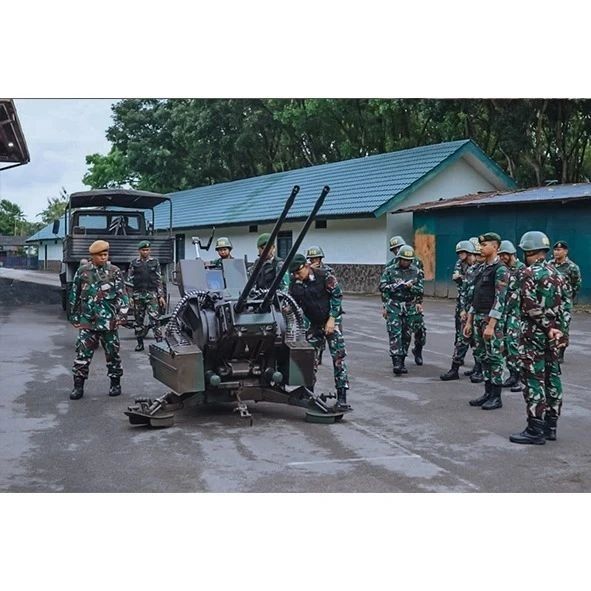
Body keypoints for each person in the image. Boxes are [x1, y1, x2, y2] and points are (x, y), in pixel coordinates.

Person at [509, 231, 568, 444]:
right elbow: (565, 307)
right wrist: (559, 331)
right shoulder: (557, 273)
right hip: (554, 337)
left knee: (534, 379)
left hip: (533, 335)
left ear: (528, 251)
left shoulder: (528, 273)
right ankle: (551, 426)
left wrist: (548, 327)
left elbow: (529, 306)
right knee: (552, 378)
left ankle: (535, 428)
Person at [288, 254, 351, 410]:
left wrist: (332, 319)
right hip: (313, 325)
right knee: (309, 361)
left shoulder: (324, 276)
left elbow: (337, 295)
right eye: (294, 274)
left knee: (339, 359)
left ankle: (342, 397)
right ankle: (310, 394)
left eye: (298, 272)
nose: (297, 276)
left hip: (331, 322)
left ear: (306, 266)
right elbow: (294, 304)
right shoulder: (295, 283)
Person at [68, 240, 129, 399]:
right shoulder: (83, 272)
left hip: (109, 322)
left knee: (113, 354)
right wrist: (73, 315)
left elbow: (122, 294)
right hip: (87, 322)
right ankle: (78, 387)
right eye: (100, 255)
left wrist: (122, 315)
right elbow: (74, 294)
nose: (103, 257)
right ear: (92, 256)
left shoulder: (114, 271)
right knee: (82, 355)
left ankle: (115, 384)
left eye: (105, 254)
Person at [463, 232, 509, 410]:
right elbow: (476, 297)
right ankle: (487, 393)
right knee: (483, 357)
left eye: (484, 245)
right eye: (480, 245)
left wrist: (491, 325)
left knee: (495, 358)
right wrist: (469, 321)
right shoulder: (482, 268)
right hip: (478, 317)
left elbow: (500, 299)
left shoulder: (501, 270)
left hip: (491, 320)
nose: (481, 248)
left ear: (495, 247)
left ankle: (496, 397)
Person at [379, 245, 425, 375]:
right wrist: (397, 286)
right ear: (399, 259)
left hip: (409, 305)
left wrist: (411, 288)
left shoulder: (416, 271)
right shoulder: (390, 270)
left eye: (408, 260)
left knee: (406, 334)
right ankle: (396, 361)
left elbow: (420, 290)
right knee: (394, 333)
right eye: (404, 259)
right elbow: (382, 287)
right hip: (394, 304)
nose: (406, 262)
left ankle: (403, 358)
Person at [440, 240, 477, 380]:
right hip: (466, 307)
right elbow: (463, 291)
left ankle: (478, 369)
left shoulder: (478, 268)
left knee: (476, 342)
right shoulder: (463, 265)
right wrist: (463, 309)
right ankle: (454, 368)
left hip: (477, 309)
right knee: (462, 338)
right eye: (459, 252)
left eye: (463, 252)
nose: (461, 255)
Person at [388, 235, 426, 365]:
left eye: (398, 247)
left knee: (419, 329)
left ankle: (418, 349)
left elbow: (421, 284)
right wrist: (384, 306)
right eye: (394, 250)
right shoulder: (391, 266)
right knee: (401, 332)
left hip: (413, 302)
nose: (396, 251)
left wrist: (419, 302)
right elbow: (384, 287)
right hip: (397, 303)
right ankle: (399, 359)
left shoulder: (417, 263)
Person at [126, 240, 165, 352]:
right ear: (139, 251)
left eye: (147, 250)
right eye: (143, 250)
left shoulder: (155, 262)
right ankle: (139, 343)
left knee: (155, 320)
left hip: (151, 294)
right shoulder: (134, 263)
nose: (145, 252)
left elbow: (158, 280)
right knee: (139, 321)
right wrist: (130, 297)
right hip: (138, 295)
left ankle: (160, 344)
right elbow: (129, 281)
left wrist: (160, 296)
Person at [498, 240, 526, 391]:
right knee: (505, 345)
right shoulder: (502, 269)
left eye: (504, 254)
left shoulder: (521, 269)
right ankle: (513, 374)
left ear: (511, 254)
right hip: (504, 312)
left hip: (517, 313)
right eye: (500, 254)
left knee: (514, 344)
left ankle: (520, 377)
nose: (502, 257)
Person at [549, 240, 581, 363]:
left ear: (565, 251)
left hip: (564, 302)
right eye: (555, 250)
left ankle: (561, 352)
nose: (557, 252)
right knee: (551, 324)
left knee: (563, 326)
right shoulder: (549, 264)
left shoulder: (572, 267)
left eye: (559, 250)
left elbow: (576, 284)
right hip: (552, 301)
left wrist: (568, 297)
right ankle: (551, 350)